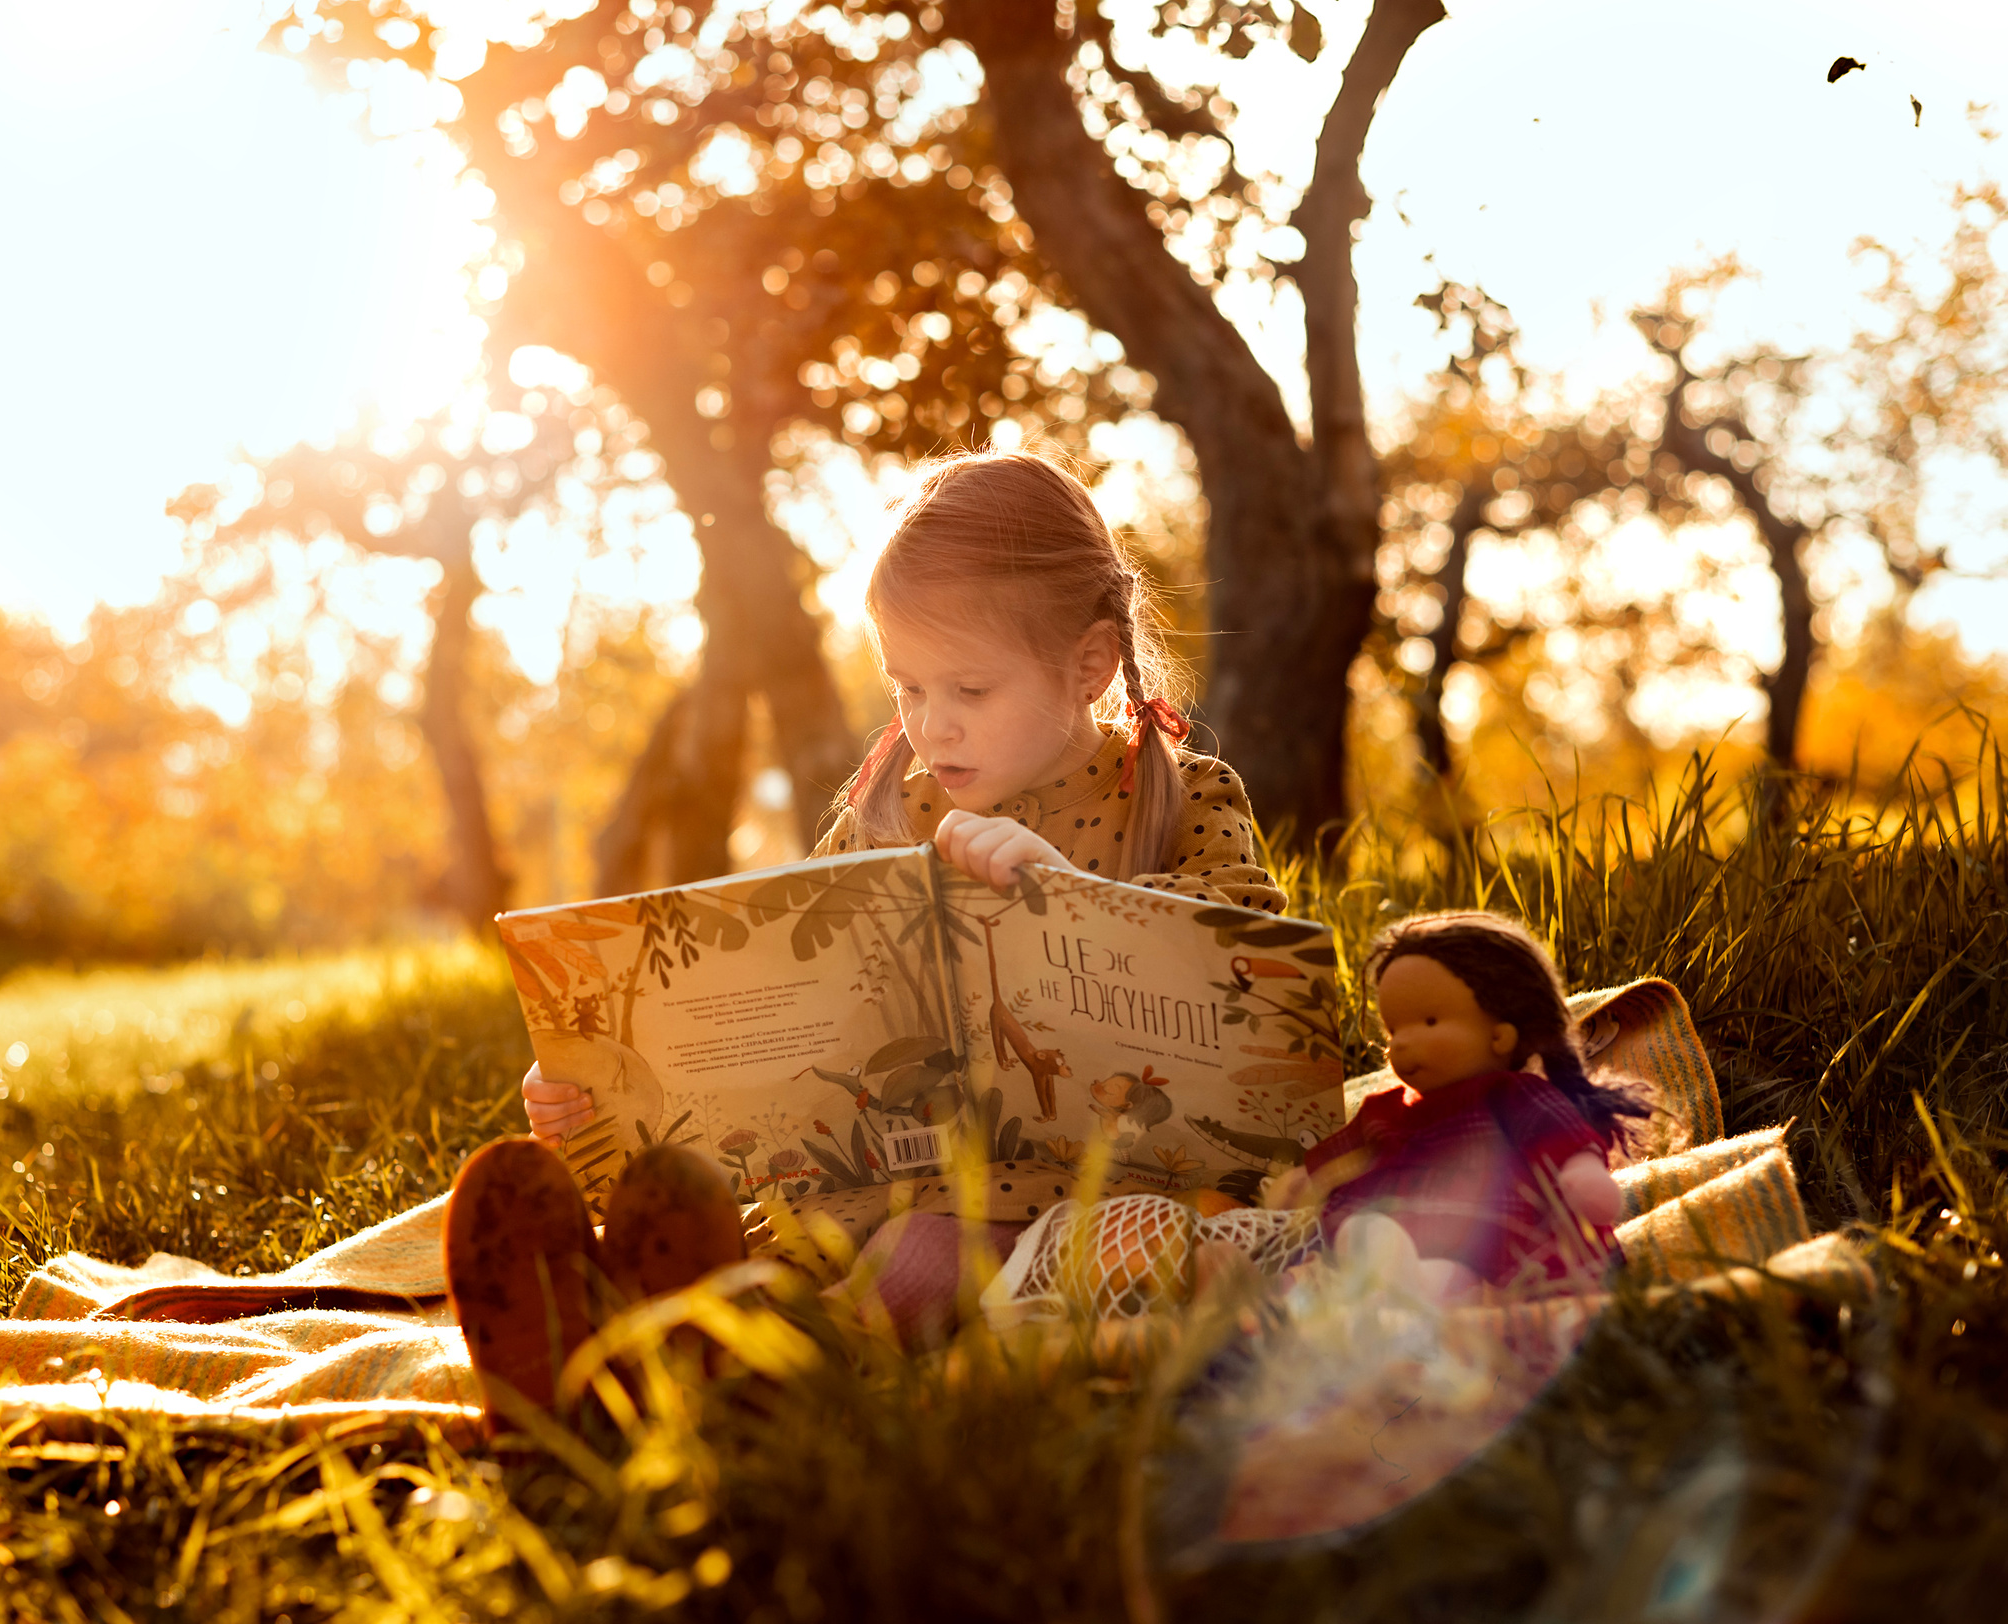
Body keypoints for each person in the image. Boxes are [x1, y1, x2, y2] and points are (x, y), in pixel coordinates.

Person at [454, 450, 1286, 1416]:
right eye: (908, 688)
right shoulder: (896, 804)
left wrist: (1063, 903)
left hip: (1061, 1210)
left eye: (970, 690)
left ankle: (686, 1377)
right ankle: (613, 1318)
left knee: (924, 1265)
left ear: (1090, 663)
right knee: (766, 1232)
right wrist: (601, 1084)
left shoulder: (1184, 798)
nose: (935, 727)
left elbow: (1255, 1000)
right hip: (858, 1198)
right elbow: (776, 1002)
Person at [1284, 910, 1644, 1297]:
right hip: (1390, 1234)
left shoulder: (1513, 1096)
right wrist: (1298, 1185)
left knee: (1415, 1262)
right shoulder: (1387, 1111)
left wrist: (1583, 1173)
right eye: (1393, 1030)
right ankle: (1375, 1290)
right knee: (1358, 1237)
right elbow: (1334, 1166)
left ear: (1500, 1036)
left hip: (1487, 1242)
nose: (1399, 1043)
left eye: (1429, 1021)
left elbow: (1561, 1137)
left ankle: (1417, 1294)